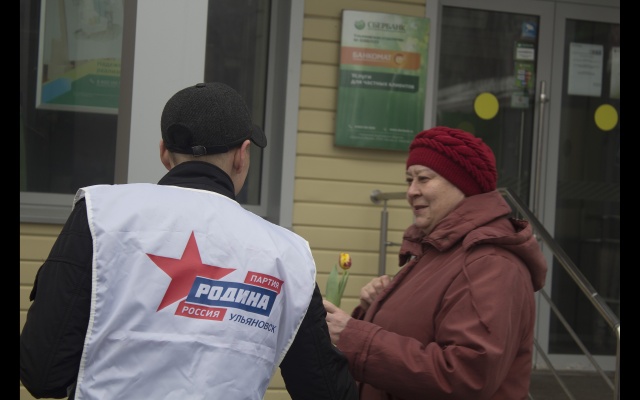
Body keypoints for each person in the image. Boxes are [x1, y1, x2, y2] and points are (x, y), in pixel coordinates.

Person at [20, 82, 358, 400]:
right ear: (242, 156)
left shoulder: (102, 214)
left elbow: (42, 373)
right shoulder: (287, 255)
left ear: (164, 153)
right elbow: (325, 391)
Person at [323, 126, 548, 400]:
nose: (411, 191)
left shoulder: (491, 264)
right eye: (409, 180)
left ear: (463, 184)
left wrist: (354, 337)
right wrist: (376, 308)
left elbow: (465, 376)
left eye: (423, 178)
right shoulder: (439, 251)